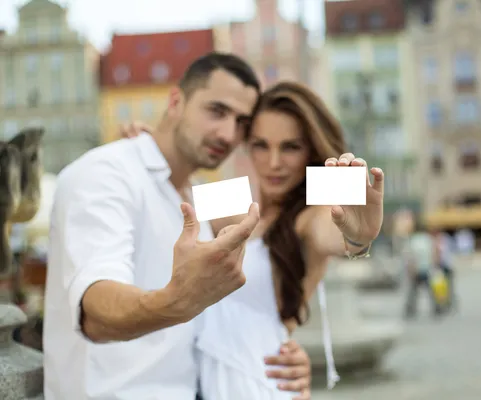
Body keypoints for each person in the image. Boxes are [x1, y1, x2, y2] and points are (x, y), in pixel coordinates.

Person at [43, 53, 313, 400]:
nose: (228, 134)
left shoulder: (203, 193)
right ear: (175, 101)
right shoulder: (105, 173)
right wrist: (177, 300)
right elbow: (95, 313)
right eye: (216, 111)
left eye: (243, 123)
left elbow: (300, 208)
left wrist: (278, 353)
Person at [121, 81, 385, 399]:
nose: (273, 162)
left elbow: (332, 231)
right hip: (195, 382)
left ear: (312, 150)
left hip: (255, 385)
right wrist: (146, 146)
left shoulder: (311, 212)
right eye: (261, 145)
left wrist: (359, 237)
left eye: (290, 147)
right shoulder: (237, 199)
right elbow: (171, 190)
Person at [402, 219, 441, 318]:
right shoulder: (428, 239)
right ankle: (437, 308)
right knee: (431, 291)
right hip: (427, 269)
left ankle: (410, 310)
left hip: (416, 270)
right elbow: (435, 253)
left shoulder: (412, 240)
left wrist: (411, 269)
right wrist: (435, 265)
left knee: (413, 292)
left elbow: (409, 256)